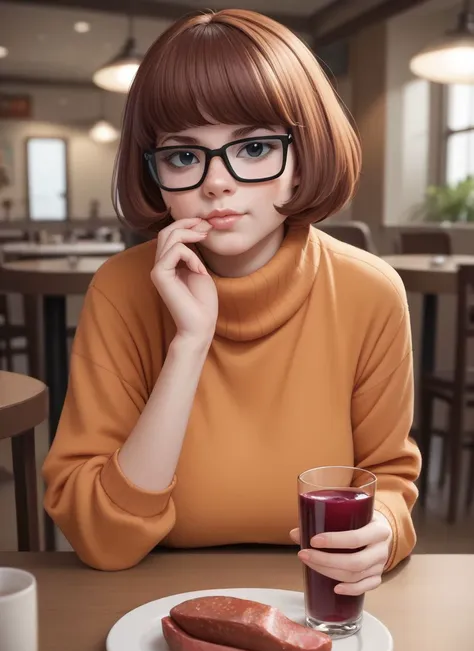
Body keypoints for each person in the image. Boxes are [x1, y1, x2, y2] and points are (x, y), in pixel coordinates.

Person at [42, 8, 421, 590]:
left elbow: (389, 479)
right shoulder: (121, 290)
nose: (217, 181)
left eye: (252, 147)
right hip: (148, 594)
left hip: (318, 594)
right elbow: (102, 540)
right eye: (184, 156)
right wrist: (189, 344)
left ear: (301, 159)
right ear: (156, 176)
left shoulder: (368, 289)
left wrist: (385, 532)